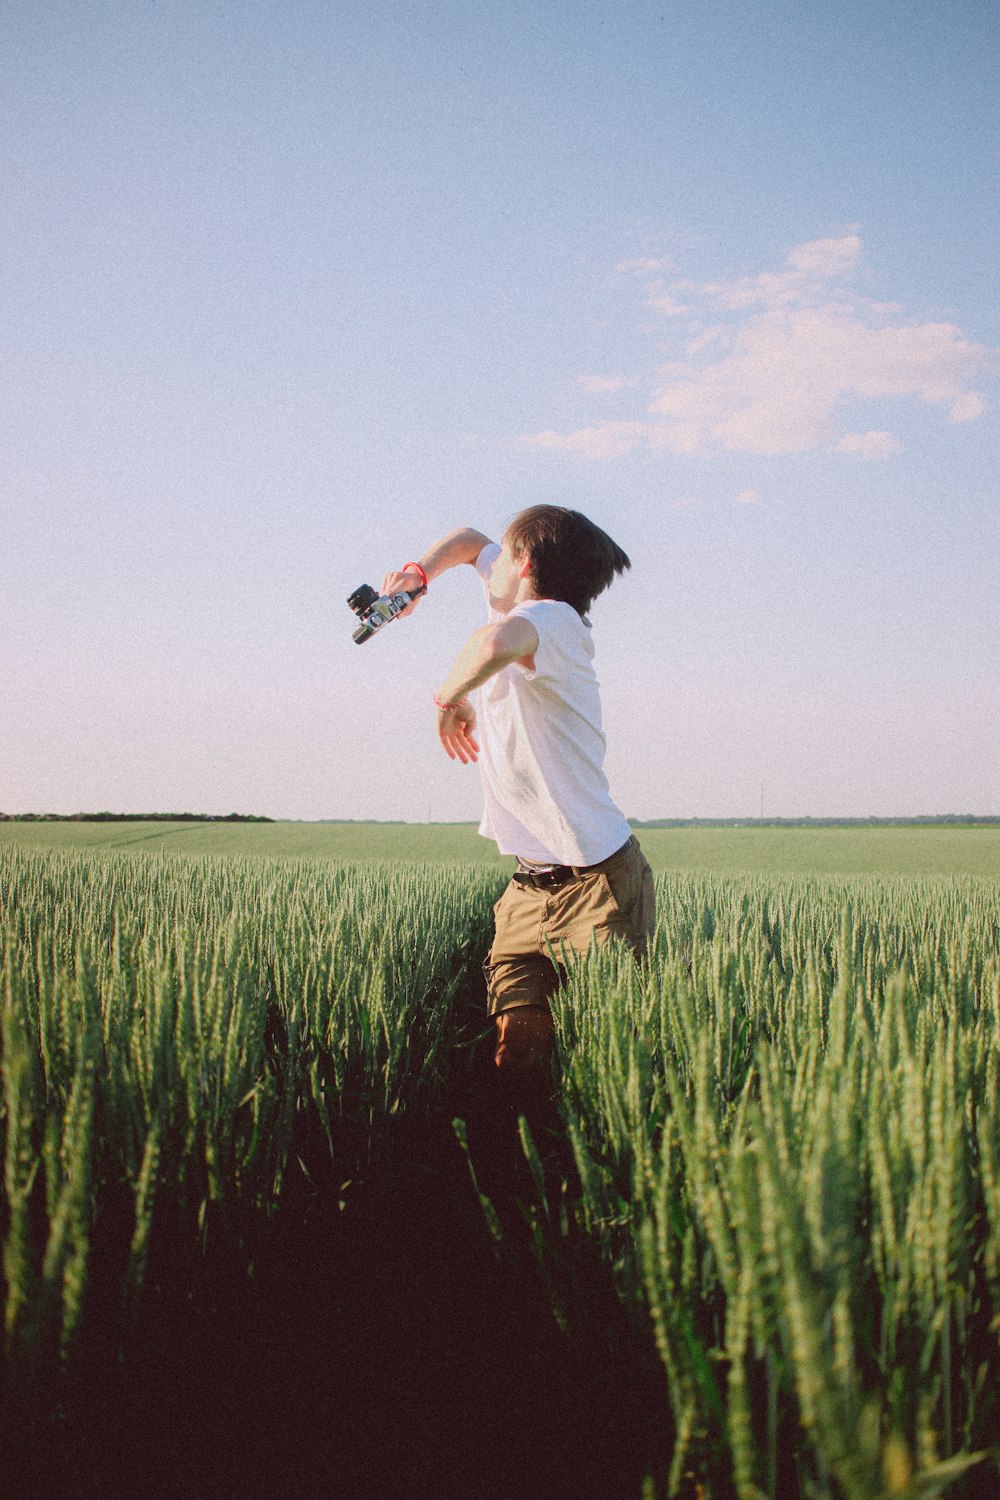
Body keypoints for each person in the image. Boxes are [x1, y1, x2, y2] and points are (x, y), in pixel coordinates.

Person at [381, 506, 655, 1088]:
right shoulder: (518, 598)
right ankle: (523, 1159)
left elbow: (495, 644)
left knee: (612, 1054)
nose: (490, 563)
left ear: (525, 565)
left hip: (598, 882)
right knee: (516, 1049)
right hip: (530, 885)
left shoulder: (551, 621)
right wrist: (417, 577)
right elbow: (466, 539)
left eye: (503, 557)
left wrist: (448, 700)